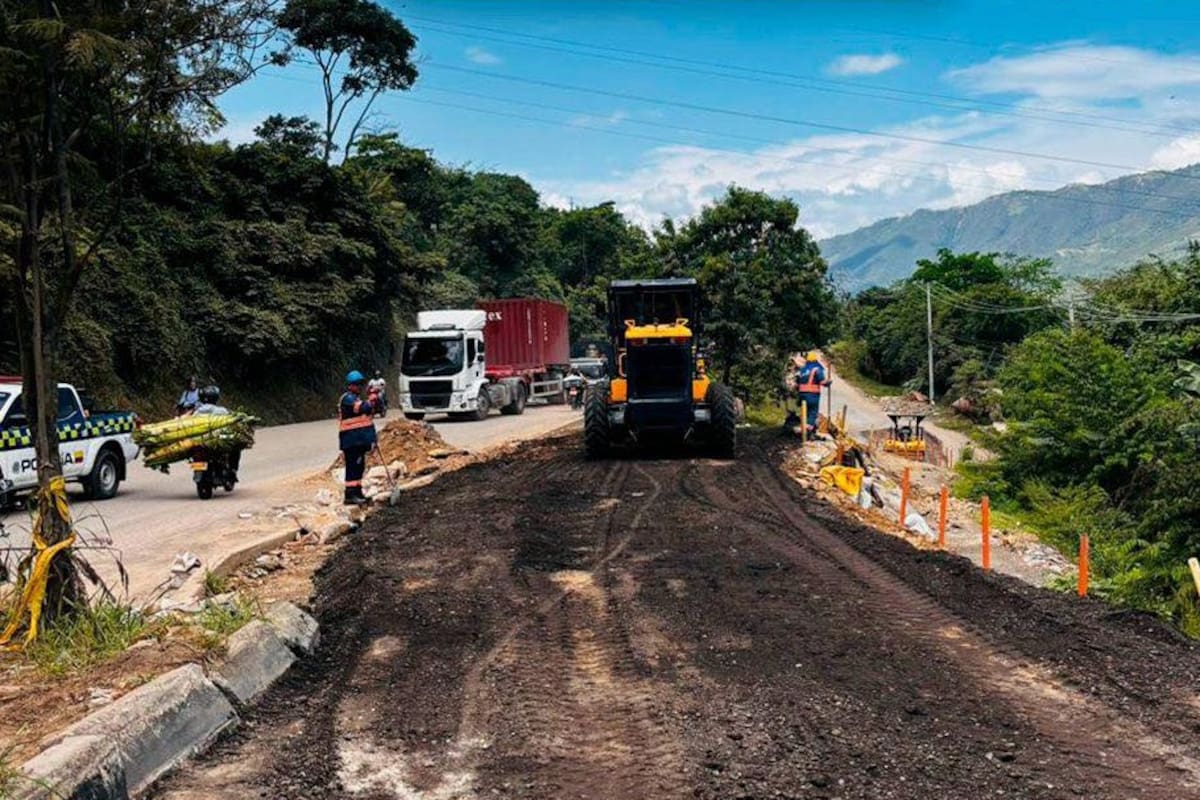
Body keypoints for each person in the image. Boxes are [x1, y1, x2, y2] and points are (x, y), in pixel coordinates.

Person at [339, 370, 379, 505]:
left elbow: (370, 411)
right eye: (356, 384)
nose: (359, 387)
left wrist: (374, 401)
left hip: (358, 439)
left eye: (360, 384)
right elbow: (361, 408)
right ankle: (350, 495)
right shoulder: (347, 398)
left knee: (359, 466)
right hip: (350, 440)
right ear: (350, 385)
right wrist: (371, 399)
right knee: (353, 467)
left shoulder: (356, 398)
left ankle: (357, 491)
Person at [192, 385, 242, 476]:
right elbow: (231, 422)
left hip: (199, 439)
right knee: (236, 444)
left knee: (196, 453)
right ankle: (233, 469)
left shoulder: (196, 413)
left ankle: (198, 471)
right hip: (219, 437)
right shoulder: (222, 411)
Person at [794, 351, 829, 435]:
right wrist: (828, 382)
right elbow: (823, 381)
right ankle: (808, 432)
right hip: (812, 394)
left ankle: (803, 429)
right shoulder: (816, 369)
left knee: (804, 411)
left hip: (802, 394)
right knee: (812, 412)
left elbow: (797, 382)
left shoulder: (802, 369)